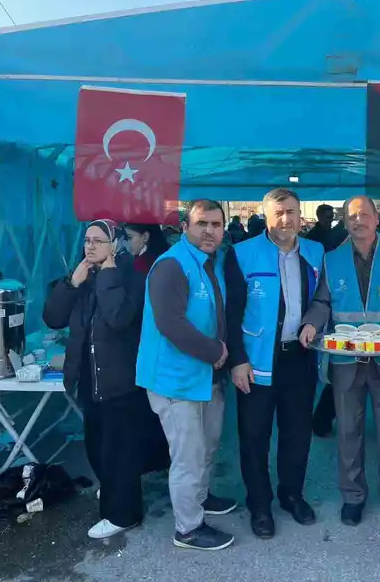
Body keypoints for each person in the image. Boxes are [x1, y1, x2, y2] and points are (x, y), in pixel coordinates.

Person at [299, 196, 380, 526]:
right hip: (346, 359)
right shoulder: (332, 259)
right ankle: (353, 497)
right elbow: (322, 301)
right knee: (348, 431)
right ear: (344, 222)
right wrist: (311, 323)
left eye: (364, 214)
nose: (358, 220)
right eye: (351, 216)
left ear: (376, 218)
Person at [137, 199, 237, 551]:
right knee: (188, 457)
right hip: (175, 380)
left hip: (204, 377)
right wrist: (215, 351)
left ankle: (200, 497)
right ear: (185, 227)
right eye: (201, 223)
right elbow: (170, 323)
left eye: (216, 224)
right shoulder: (172, 265)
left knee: (206, 446)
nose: (209, 230)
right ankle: (188, 528)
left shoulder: (211, 262)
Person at [225, 188, 325, 539]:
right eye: (279, 212)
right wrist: (237, 360)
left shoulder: (315, 252)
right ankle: (259, 504)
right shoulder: (242, 254)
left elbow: (323, 299)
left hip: (299, 358)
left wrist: (313, 321)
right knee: (254, 436)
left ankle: (291, 494)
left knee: (297, 433)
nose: (286, 219)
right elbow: (230, 313)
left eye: (292, 212)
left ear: (300, 216)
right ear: (265, 216)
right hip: (256, 362)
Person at [43, 219, 147, 539]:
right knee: (96, 447)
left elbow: (118, 318)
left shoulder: (131, 277)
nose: (89, 246)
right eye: (87, 240)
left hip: (121, 381)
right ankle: (114, 491)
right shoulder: (83, 278)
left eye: (98, 241)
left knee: (119, 451)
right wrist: (71, 284)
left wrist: (108, 275)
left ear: (114, 245)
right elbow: (53, 318)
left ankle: (123, 514)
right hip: (90, 379)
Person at [124, 222, 172, 474]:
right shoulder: (148, 261)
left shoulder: (149, 266)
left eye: (129, 237)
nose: (125, 243)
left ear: (145, 237)